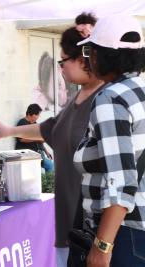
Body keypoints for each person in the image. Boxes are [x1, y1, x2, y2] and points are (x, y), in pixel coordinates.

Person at [0, 12, 103, 267]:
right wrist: (9, 130)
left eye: (63, 61)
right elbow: (47, 129)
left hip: (95, 229)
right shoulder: (75, 101)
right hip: (68, 228)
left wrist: (104, 243)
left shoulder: (106, 97)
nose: (60, 69)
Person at [73, 15, 145, 267]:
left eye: (89, 50)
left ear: (102, 54)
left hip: (125, 234)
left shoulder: (111, 98)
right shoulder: (140, 90)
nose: (87, 57)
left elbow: (122, 182)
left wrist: (102, 247)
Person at [15, 103, 54, 173]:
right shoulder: (22, 123)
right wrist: (36, 139)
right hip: (27, 156)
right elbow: (21, 139)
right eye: (38, 115)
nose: (38, 117)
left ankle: (47, 183)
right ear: (32, 114)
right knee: (41, 170)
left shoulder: (35, 123)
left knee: (51, 165)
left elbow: (39, 141)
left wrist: (47, 152)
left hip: (38, 154)